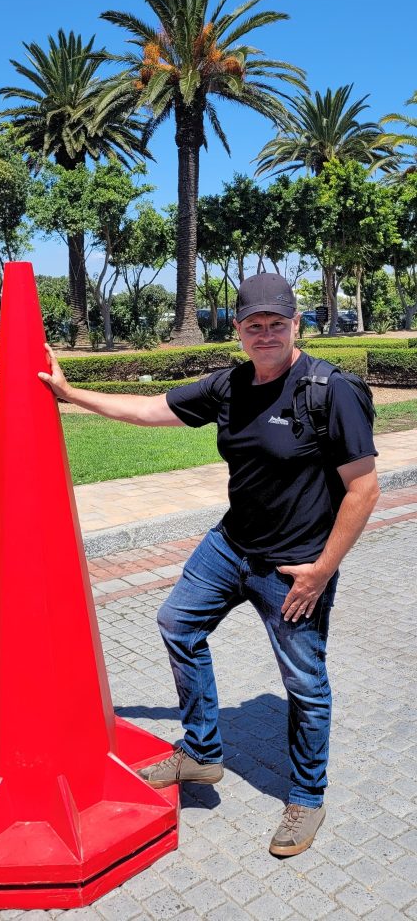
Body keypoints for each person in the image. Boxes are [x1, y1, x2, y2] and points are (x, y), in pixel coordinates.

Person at [38, 273, 379, 857]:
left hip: (295, 568)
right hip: (230, 546)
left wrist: (322, 571)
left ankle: (307, 795)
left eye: (277, 324)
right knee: (177, 622)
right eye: (254, 325)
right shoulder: (231, 385)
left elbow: (364, 488)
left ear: (296, 325)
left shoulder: (330, 390)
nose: (265, 334)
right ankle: (201, 753)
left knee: (304, 683)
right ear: (238, 330)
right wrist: (71, 395)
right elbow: (151, 409)